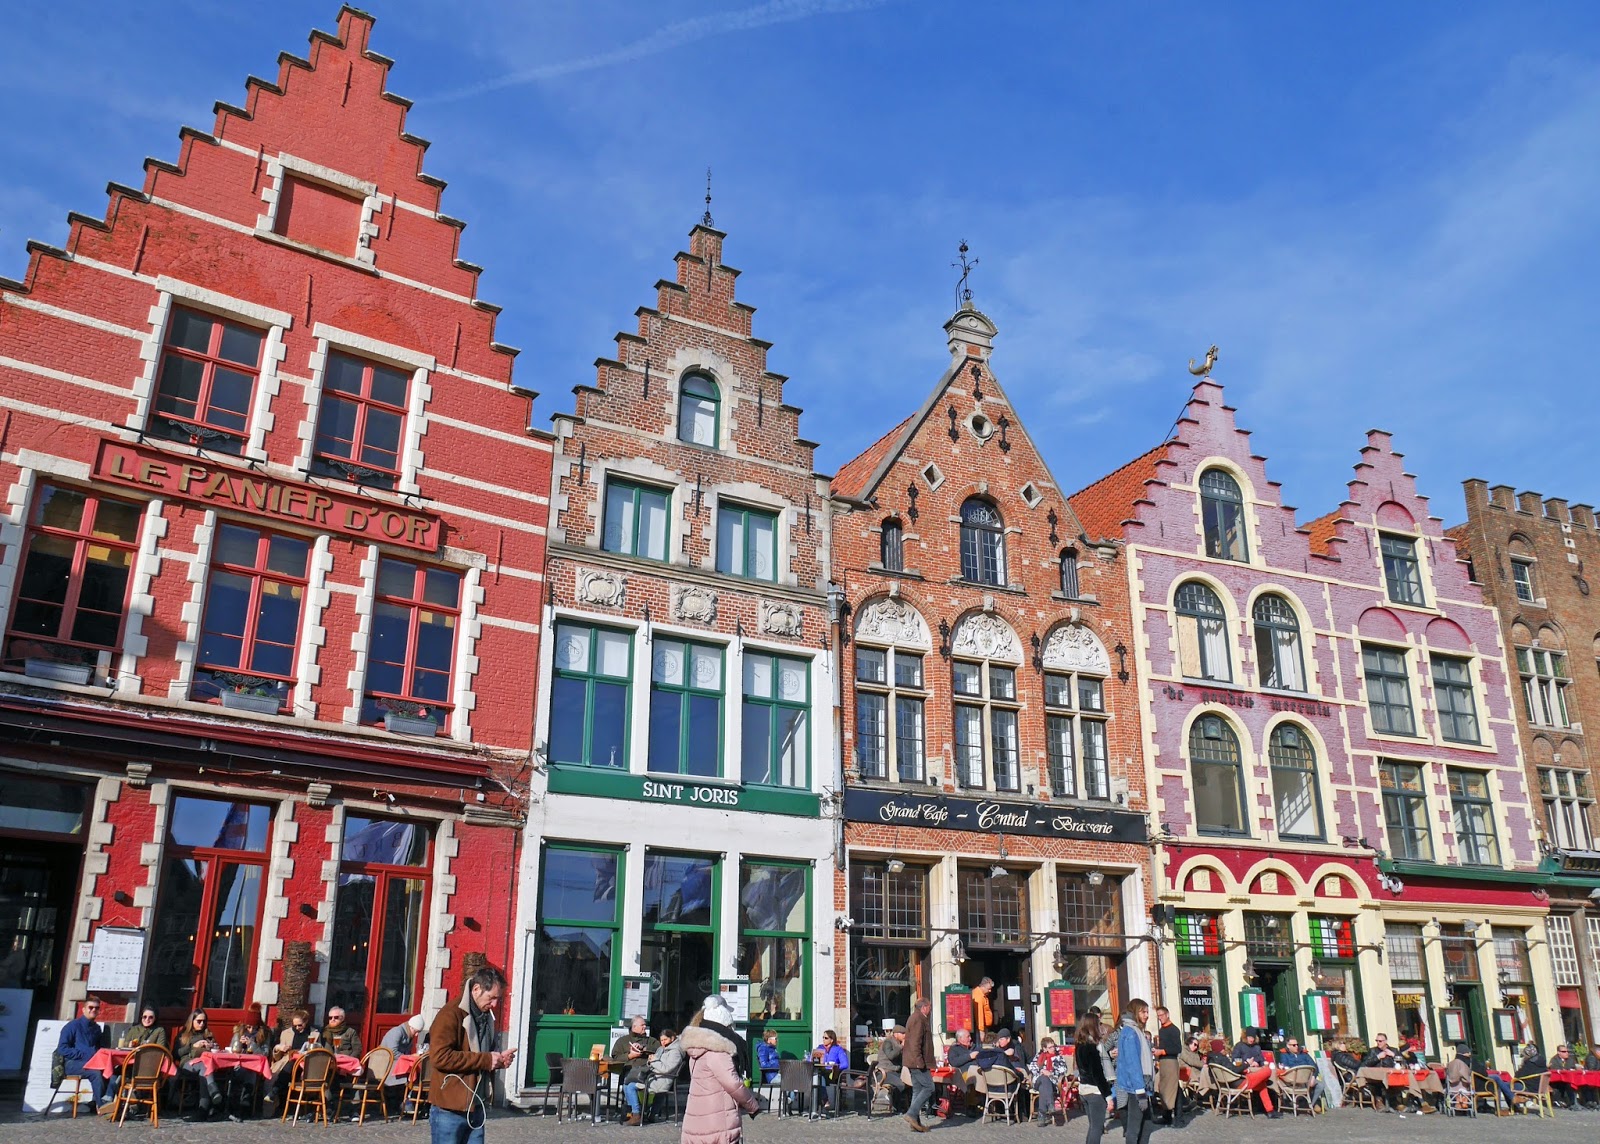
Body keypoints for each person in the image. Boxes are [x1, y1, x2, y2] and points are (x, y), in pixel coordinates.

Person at [428, 964, 516, 1144]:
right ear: (476, 989)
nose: (495, 1004)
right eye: (491, 998)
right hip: (449, 1108)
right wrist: (486, 1060)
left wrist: (498, 1060)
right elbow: (439, 1057)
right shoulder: (450, 1014)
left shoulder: (486, 1016)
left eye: (498, 999)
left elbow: (481, 1058)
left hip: (476, 1106)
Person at [680, 994, 760, 1144]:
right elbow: (732, 1083)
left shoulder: (696, 1048)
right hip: (717, 1122)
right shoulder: (717, 1051)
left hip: (696, 1119)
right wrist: (752, 1105)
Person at [1115, 999, 1156, 1144]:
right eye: (1143, 1012)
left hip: (1141, 1085)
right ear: (1135, 1012)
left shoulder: (1137, 1031)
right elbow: (1133, 1063)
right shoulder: (1131, 1032)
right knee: (1134, 1128)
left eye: (1147, 1012)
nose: (1146, 1015)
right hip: (1136, 1088)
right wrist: (1140, 1091)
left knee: (1146, 1125)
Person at [622, 1027, 682, 1125]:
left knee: (630, 1086)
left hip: (662, 1079)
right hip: (655, 1076)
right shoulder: (662, 1049)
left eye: (665, 1039)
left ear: (672, 1038)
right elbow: (656, 1062)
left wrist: (653, 1060)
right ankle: (646, 1114)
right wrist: (650, 1060)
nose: (663, 1042)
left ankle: (636, 1114)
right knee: (627, 1083)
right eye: (661, 1040)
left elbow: (666, 1069)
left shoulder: (675, 1052)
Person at [172, 1009, 224, 1120]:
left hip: (205, 1064)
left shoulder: (207, 1034)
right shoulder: (183, 1035)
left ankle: (203, 1108)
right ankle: (212, 1091)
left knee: (205, 1069)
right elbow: (176, 1054)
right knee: (204, 1067)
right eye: (199, 1021)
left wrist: (211, 1047)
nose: (202, 1024)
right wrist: (192, 1046)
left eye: (204, 1022)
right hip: (187, 1063)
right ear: (192, 1021)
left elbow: (215, 1050)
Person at [56, 996, 107, 1109]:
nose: (93, 1010)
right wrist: (83, 1054)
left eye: (96, 1008)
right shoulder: (72, 1026)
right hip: (73, 1063)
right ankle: (101, 1106)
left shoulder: (97, 1028)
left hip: (92, 1062)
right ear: (83, 1009)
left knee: (111, 1071)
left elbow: (99, 1048)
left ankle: (104, 1100)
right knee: (95, 1073)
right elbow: (62, 1049)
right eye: (90, 1007)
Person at [1073, 1011, 1113, 1144]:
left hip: (1084, 1089)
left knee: (1092, 1127)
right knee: (1097, 1128)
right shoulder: (1091, 1047)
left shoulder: (1079, 1045)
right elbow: (1097, 1074)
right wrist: (1108, 1096)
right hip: (1095, 1091)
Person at [380, 1015, 427, 1116]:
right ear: (411, 1027)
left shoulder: (408, 1034)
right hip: (386, 1063)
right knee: (405, 1070)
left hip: (399, 1062)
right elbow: (392, 1052)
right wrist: (409, 1056)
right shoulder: (397, 1032)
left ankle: (408, 1098)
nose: (416, 1035)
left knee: (415, 1070)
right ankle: (401, 1101)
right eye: (416, 1031)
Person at [902, 996, 936, 1134]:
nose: (931, 1010)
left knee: (917, 1089)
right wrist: (919, 1061)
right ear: (924, 1007)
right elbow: (915, 1042)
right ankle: (911, 1114)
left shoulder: (916, 1018)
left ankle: (915, 1123)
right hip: (917, 1061)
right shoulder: (918, 1019)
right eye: (930, 1007)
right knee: (929, 1087)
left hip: (914, 1061)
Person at [1229, 1028, 1279, 1117]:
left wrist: (1257, 1062)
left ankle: (1270, 1110)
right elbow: (1235, 1062)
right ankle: (1270, 1107)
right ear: (1245, 1037)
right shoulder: (1239, 1046)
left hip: (1255, 1073)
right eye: (1249, 1037)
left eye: (1252, 1037)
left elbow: (1261, 1060)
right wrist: (1247, 1062)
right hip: (1244, 1076)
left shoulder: (1257, 1047)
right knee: (1267, 1071)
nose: (1251, 1039)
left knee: (1262, 1084)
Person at [1028, 1035, 1072, 1126]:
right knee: (1044, 1078)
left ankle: (1041, 1115)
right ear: (1044, 1048)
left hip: (1052, 1082)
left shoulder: (1058, 1057)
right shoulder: (1039, 1056)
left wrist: (1050, 1073)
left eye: (1053, 1046)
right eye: (1050, 1047)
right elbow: (1032, 1067)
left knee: (1045, 1084)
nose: (1053, 1048)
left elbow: (1063, 1069)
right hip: (1038, 1081)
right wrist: (1042, 1071)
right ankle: (1050, 1104)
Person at [1153, 1005, 1184, 1124]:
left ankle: (1179, 1118)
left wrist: (1162, 1051)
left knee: (1174, 1089)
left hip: (1171, 1061)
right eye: (1158, 1016)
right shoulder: (1162, 1030)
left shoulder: (1174, 1029)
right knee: (1164, 1089)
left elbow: (1177, 1048)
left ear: (1167, 1015)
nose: (1159, 1018)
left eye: (1161, 1015)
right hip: (1163, 1062)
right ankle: (1166, 1116)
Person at [808, 1029, 849, 1116]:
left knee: (819, 1077)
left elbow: (845, 1064)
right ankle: (823, 1102)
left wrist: (834, 1066)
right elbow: (811, 1060)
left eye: (826, 1038)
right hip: (820, 1072)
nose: (823, 1039)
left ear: (832, 1039)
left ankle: (823, 1102)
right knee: (818, 1076)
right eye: (823, 1037)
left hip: (832, 1075)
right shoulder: (820, 1048)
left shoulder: (838, 1049)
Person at [1273, 1037, 1320, 1110]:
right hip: (1293, 1079)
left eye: (1297, 1044)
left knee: (1320, 1085)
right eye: (1294, 1045)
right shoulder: (1284, 1054)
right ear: (1288, 1046)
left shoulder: (1304, 1054)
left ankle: (1310, 1105)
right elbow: (1286, 1068)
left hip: (1307, 1078)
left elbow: (1314, 1066)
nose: (1297, 1046)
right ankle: (1294, 1101)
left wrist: (1313, 1077)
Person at [877, 1024, 907, 1111]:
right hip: (884, 1072)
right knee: (901, 1083)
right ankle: (897, 1106)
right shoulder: (888, 1042)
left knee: (911, 1081)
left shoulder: (898, 1043)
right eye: (903, 1033)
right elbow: (891, 1056)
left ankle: (906, 1106)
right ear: (896, 1034)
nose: (905, 1036)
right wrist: (901, 1046)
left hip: (895, 1071)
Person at [1548, 1044, 1577, 1108]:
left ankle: (1572, 1102)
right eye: (1564, 1052)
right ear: (1558, 1052)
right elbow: (1554, 1069)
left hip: (1568, 1079)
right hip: (1558, 1080)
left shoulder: (1570, 1059)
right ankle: (1558, 1101)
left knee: (1571, 1084)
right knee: (1559, 1085)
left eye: (1567, 1051)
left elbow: (1572, 1068)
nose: (1566, 1053)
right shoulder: (1554, 1060)